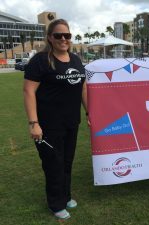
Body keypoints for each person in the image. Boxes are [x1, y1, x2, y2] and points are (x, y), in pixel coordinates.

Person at [23, 19, 88, 219]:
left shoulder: (76, 60)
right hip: (48, 125)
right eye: (58, 35)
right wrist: (34, 123)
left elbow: (83, 88)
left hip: (71, 123)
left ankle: (65, 196)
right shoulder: (41, 60)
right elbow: (28, 91)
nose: (63, 39)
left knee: (67, 161)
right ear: (50, 38)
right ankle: (56, 203)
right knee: (53, 163)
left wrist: (89, 112)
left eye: (66, 35)